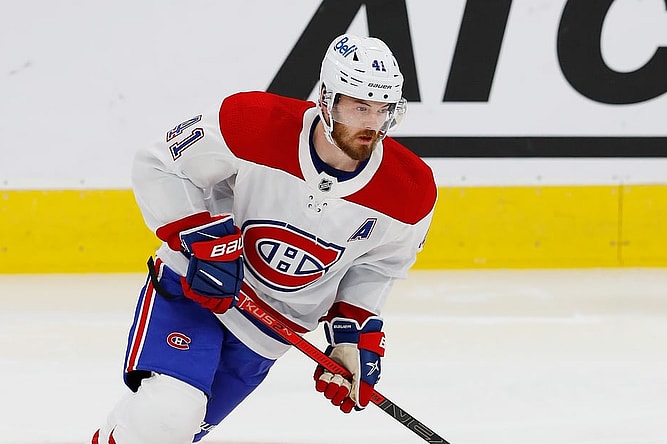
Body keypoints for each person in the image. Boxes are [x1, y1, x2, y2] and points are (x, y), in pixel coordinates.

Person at [92, 33, 436, 444]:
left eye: (383, 110)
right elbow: (160, 165)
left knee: (172, 431)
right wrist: (202, 239)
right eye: (360, 107)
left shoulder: (410, 190)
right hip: (193, 292)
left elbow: (378, 266)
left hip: (269, 333)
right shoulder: (251, 121)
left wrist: (350, 335)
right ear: (326, 99)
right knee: (168, 416)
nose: (372, 124)